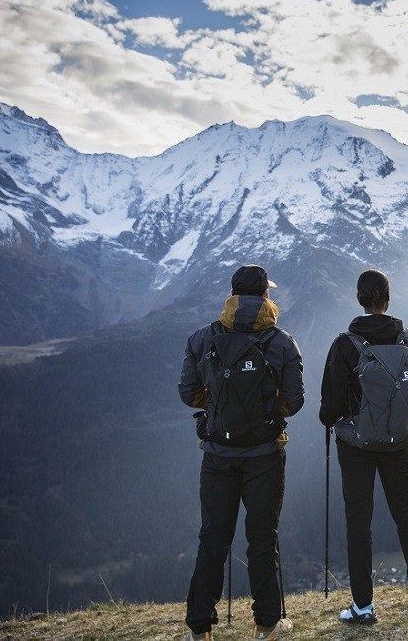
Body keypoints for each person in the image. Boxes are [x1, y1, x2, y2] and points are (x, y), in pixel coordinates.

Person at [179, 264, 304, 641]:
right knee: (262, 537)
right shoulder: (282, 342)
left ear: (232, 294)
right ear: (265, 295)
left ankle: (199, 629)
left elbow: (188, 394)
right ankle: (267, 624)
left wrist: (218, 404)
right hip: (265, 455)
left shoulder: (202, 338)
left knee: (213, 538)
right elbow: (295, 402)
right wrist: (264, 412)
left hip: (218, 454)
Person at [319, 269, 408, 624]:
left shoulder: (345, 345)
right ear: (388, 299)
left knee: (359, 522)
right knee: (407, 515)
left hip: (355, 445)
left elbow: (329, 406)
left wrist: (333, 418)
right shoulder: (407, 338)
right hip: (397, 443)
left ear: (360, 299)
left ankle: (363, 606)